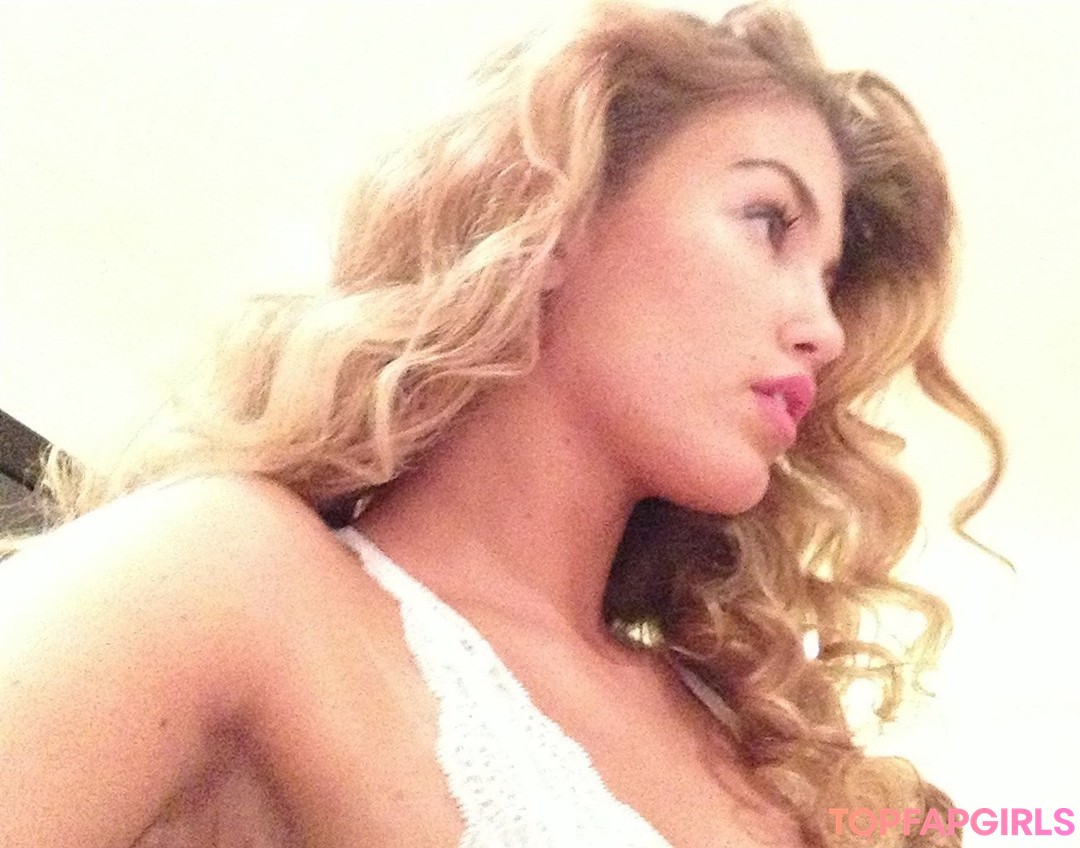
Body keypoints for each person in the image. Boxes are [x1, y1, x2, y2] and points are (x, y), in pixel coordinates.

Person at [0, 1, 1009, 846]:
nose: (825, 331)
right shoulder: (232, 579)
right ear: (554, 216)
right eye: (769, 221)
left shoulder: (760, 744)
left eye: (829, 280)